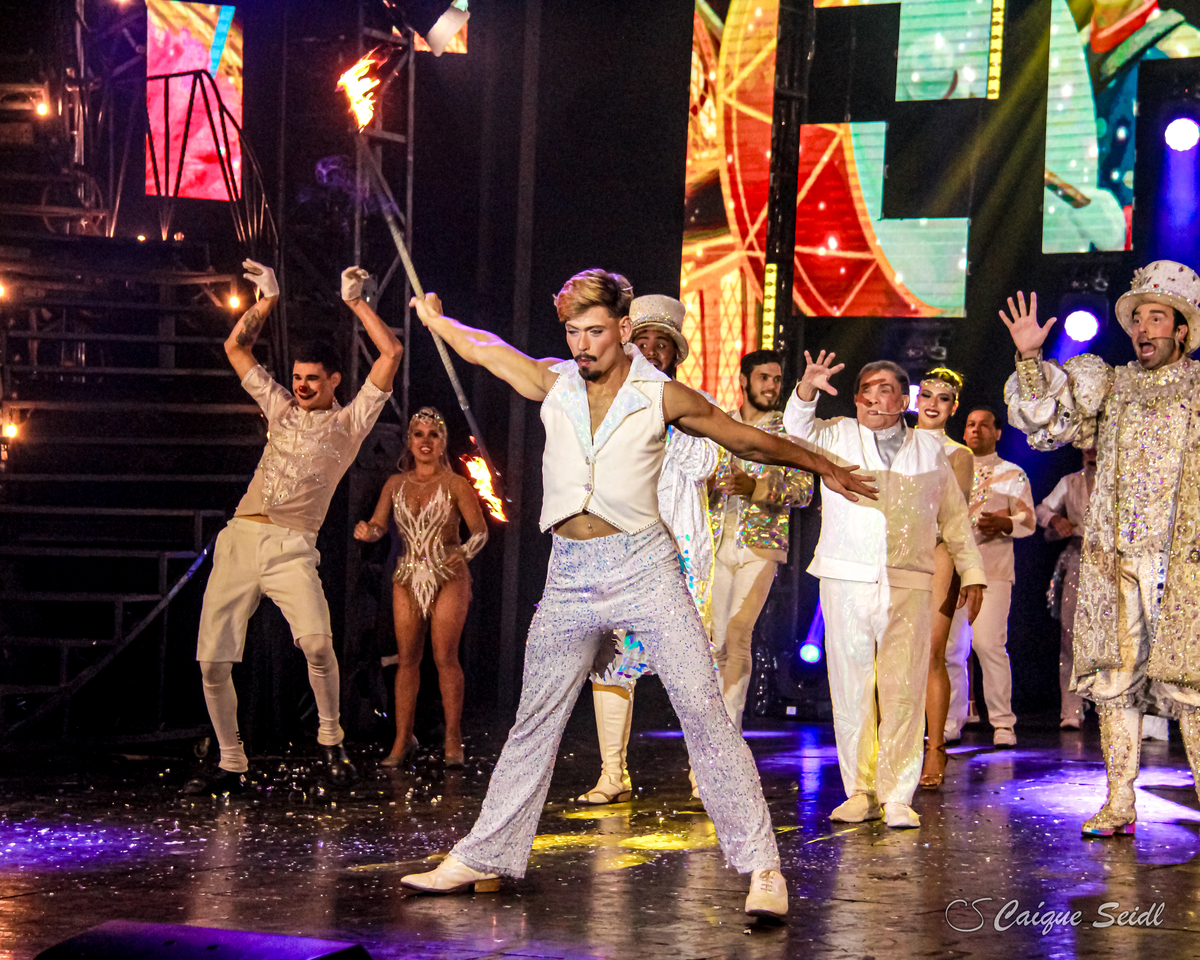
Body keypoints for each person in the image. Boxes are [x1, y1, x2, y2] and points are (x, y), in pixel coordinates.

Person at [398, 269, 877, 918]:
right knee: (535, 720)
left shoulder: (662, 395)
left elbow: (745, 438)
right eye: (573, 332)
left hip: (645, 567)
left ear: (623, 330)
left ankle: (763, 867)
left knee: (704, 712)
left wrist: (824, 465)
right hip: (569, 573)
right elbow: (489, 350)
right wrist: (438, 322)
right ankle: (485, 855)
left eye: (595, 331)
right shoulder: (558, 381)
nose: (582, 344)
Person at [185, 263, 402, 795]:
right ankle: (231, 761)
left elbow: (391, 354)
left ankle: (331, 740)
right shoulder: (279, 408)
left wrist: (356, 303)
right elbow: (236, 348)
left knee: (318, 646)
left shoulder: (349, 423)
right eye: (298, 377)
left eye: (312, 379)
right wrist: (266, 300)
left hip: (292, 546)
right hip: (240, 540)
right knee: (212, 662)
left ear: (334, 381)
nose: (301, 386)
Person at [1000, 261, 1200, 836]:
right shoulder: (1109, 385)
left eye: (1156, 318)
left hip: (1184, 563)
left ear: (1181, 329)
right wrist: (1030, 359)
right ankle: (1119, 802)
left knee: (1192, 683)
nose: (1143, 329)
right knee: (1114, 682)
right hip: (1115, 559)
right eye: (1137, 319)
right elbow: (1049, 425)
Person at [784, 352, 984, 829]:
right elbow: (795, 429)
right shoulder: (835, 435)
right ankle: (859, 790)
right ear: (855, 399)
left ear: (903, 400)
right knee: (851, 686)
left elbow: (954, 519)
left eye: (885, 389)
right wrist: (807, 388)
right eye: (865, 390)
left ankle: (896, 794)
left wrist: (972, 571)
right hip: (846, 577)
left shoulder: (930, 450)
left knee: (903, 688)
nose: (874, 398)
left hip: (909, 580)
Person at [578, 294, 720, 805]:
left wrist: (659, 411)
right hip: (620, 551)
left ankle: (706, 776)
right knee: (613, 662)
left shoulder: (693, 401)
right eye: (643, 341)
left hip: (681, 556)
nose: (652, 351)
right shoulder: (600, 403)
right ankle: (612, 774)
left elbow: (705, 464)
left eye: (663, 345)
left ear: (674, 355)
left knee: (693, 670)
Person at [354, 407, 488, 768]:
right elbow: (379, 525)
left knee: (444, 656)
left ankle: (453, 738)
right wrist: (368, 531)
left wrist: (462, 554)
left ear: (443, 442)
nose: (425, 441)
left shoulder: (456, 484)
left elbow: (480, 532)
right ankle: (402, 739)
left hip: (448, 575)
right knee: (407, 659)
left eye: (433, 435)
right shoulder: (395, 485)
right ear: (409, 441)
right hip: (408, 575)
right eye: (419, 434)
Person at [707, 351, 813, 732]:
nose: (772, 386)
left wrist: (755, 486)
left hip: (760, 546)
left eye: (777, 379)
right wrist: (706, 483)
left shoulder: (787, 430)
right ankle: (712, 735)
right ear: (743, 380)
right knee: (716, 641)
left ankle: (728, 736)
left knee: (738, 634)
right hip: (716, 545)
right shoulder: (717, 425)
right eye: (764, 378)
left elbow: (804, 489)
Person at [944, 405, 1035, 748]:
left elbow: (1028, 520)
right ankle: (949, 722)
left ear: (997, 433)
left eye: (984, 425)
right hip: (952, 570)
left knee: (988, 645)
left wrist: (1005, 523)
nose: (976, 429)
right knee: (951, 650)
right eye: (971, 423)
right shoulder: (949, 468)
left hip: (992, 571)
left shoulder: (1012, 473)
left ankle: (1002, 723)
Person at [912, 368, 975, 789]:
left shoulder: (958, 454)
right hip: (894, 553)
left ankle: (936, 748)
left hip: (937, 550)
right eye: (927, 395)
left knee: (933, 652)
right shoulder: (895, 441)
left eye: (943, 398)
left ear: (953, 407)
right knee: (890, 654)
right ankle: (894, 745)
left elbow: (955, 515)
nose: (933, 403)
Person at [1036, 447, 1097, 730]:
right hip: (1078, 557)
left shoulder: (1120, 479)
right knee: (1070, 632)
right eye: (1087, 445)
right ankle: (1071, 707)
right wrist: (1055, 520)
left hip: (1116, 561)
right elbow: (1042, 509)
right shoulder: (1071, 482)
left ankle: (1118, 706)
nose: (1091, 450)